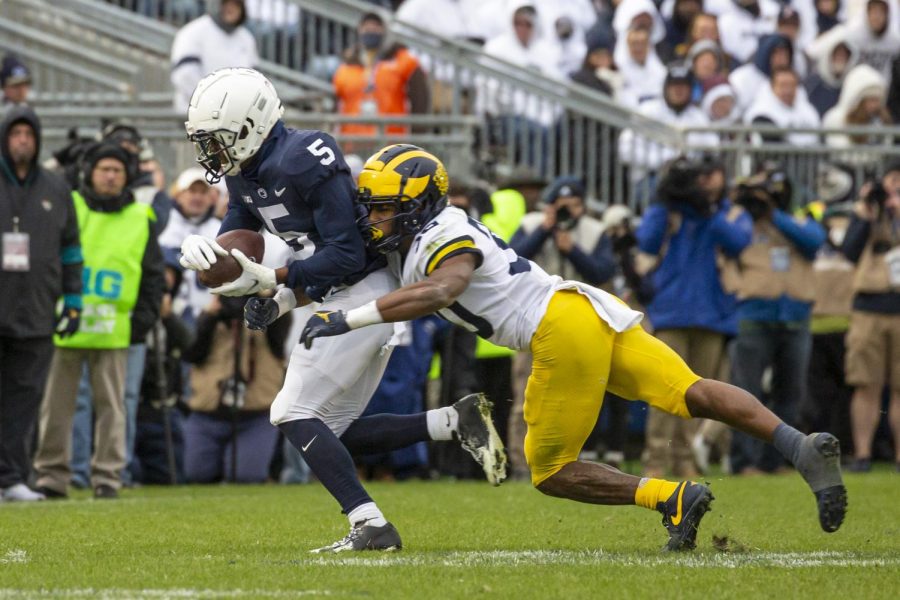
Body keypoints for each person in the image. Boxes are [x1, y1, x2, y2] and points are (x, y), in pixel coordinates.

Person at [300, 144, 848, 550]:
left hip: (558, 328)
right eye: (370, 207)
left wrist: (347, 319)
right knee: (692, 392)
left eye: (382, 208)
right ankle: (798, 445)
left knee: (549, 471)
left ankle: (670, 497)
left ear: (419, 205)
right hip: (586, 309)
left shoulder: (442, 233)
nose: (373, 219)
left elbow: (444, 287)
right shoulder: (415, 236)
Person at [180, 68, 505, 553]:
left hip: (364, 289)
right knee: (332, 433)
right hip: (339, 291)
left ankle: (370, 524)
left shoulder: (303, 157)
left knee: (291, 412)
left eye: (219, 139)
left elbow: (349, 253)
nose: (213, 152)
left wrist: (278, 283)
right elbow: (240, 234)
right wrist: (213, 257)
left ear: (250, 126)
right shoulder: (246, 174)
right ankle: (454, 422)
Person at [33, 142, 164, 500]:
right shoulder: (69, 205)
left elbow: (153, 276)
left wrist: (142, 322)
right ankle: (51, 476)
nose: (110, 176)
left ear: (127, 177)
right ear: (90, 172)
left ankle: (107, 476)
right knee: (56, 406)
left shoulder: (141, 217)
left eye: (117, 171)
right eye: (104, 169)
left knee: (113, 407)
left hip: (115, 326)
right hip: (65, 322)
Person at [636, 157, 752, 478]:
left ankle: (684, 460)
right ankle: (656, 460)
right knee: (663, 390)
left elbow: (739, 243)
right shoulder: (667, 210)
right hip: (671, 312)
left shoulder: (722, 213)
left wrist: (709, 211)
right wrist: (663, 201)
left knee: (697, 394)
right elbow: (646, 241)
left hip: (712, 314)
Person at [0, 106, 82, 502]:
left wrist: (74, 300)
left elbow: (71, 249)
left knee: (24, 399)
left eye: (28, 134)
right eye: (15, 133)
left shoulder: (55, 187)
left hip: (36, 308)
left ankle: (12, 478)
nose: (22, 141)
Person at [722, 168, 826, 475]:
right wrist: (745, 205)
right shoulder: (740, 221)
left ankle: (777, 460)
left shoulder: (798, 217)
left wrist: (773, 212)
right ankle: (744, 462)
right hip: (753, 315)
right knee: (745, 392)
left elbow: (813, 241)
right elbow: (726, 241)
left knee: (790, 395)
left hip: (795, 318)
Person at [839, 161, 900, 471]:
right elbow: (848, 252)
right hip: (868, 306)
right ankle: (862, 454)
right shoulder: (868, 213)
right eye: (891, 184)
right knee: (866, 384)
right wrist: (866, 213)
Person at [332, 12, 429, 137]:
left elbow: (420, 101)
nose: (371, 31)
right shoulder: (346, 66)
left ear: (385, 30)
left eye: (376, 27)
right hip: (353, 141)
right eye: (366, 28)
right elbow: (337, 105)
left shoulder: (404, 62)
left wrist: (417, 136)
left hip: (393, 142)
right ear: (359, 30)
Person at [170, 0, 258, 114]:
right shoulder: (193, 31)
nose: (231, 9)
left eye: (236, 4)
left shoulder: (246, 38)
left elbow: (255, 81)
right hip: (196, 117)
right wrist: (214, 105)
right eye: (226, 4)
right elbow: (184, 75)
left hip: (236, 118)